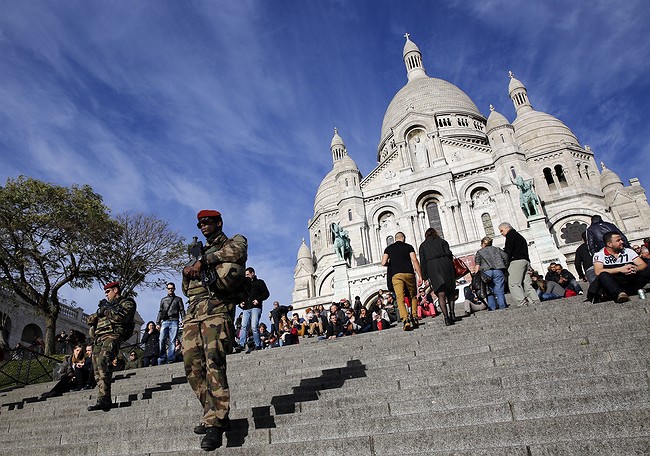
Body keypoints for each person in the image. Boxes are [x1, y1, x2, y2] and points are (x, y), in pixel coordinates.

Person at [181, 209, 248, 451]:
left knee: (214, 364)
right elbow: (186, 288)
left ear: (218, 222)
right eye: (199, 224)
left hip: (217, 311)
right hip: (193, 314)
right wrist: (187, 271)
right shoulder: (197, 252)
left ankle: (215, 424)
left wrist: (205, 261)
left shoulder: (233, 241)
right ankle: (213, 411)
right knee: (192, 367)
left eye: (207, 222)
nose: (203, 226)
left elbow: (238, 253)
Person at [86, 281, 137, 412]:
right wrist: (99, 313)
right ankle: (103, 398)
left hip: (113, 335)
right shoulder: (104, 306)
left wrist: (106, 311)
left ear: (115, 290)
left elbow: (122, 317)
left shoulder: (127, 303)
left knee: (104, 360)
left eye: (108, 291)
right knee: (96, 367)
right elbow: (89, 320)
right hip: (99, 338)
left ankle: (104, 398)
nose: (106, 294)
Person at [591, 232, 650, 303]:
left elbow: (643, 265)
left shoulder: (628, 251)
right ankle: (620, 294)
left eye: (621, 239)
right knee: (603, 274)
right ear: (609, 244)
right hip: (614, 286)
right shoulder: (599, 255)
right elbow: (598, 271)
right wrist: (620, 269)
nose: (622, 242)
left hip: (632, 282)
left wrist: (635, 268)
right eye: (618, 240)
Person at [382, 231, 423, 331]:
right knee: (413, 296)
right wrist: (420, 275)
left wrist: (391, 263)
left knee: (400, 298)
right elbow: (415, 260)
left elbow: (383, 262)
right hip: (409, 273)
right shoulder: (408, 247)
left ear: (395, 239)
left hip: (396, 276)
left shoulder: (389, 248)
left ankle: (405, 319)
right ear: (403, 238)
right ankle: (414, 316)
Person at [418, 228, 456, 326]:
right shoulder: (442, 241)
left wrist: (424, 276)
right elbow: (449, 254)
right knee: (450, 291)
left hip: (433, 268)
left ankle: (446, 317)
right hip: (445, 265)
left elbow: (423, 262)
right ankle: (452, 314)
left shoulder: (423, 246)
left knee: (440, 293)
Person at [499, 222, 540, 307]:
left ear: (507, 228)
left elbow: (508, 252)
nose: (501, 233)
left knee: (514, 283)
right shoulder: (520, 236)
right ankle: (535, 300)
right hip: (525, 261)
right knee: (526, 283)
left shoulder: (510, 235)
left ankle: (521, 303)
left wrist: (505, 264)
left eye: (502, 230)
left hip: (516, 261)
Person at [238, 267, 270, 354]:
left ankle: (257, 344)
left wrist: (258, 300)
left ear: (253, 273)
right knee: (244, 326)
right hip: (246, 308)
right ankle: (241, 344)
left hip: (256, 307)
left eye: (248, 274)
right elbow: (240, 296)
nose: (246, 276)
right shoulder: (244, 285)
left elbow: (266, 293)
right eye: (245, 275)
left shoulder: (259, 282)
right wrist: (240, 304)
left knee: (254, 326)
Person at [473, 236, 509, 311]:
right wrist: (505, 266)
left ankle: (492, 307)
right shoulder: (497, 249)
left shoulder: (480, 252)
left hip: (486, 273)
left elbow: (477, 264)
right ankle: (502, 305)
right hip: (498, 270)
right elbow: (506, 257)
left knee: (488, 290)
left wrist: (476, 276)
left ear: (483, 244)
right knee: (499, 289)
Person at [156, 282, 185, 364]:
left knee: (172, 340)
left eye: (171, 288)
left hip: (174, 320)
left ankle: (171, 358)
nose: (170, 290)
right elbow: (160, 311)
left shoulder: (178, 299)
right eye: (169, 288)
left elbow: (182, 310)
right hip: (165, 321)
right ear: (167, 289)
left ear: (174, 289)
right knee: (161, 339)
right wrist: (157, 322)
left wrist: (183, 319)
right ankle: (162, 357)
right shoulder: (163, 300)